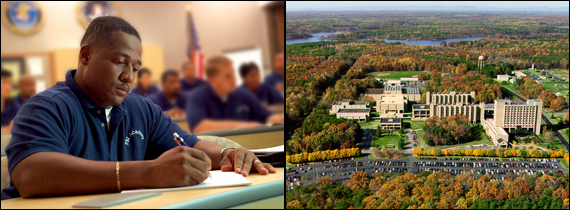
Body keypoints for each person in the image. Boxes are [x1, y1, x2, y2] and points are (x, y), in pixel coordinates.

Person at [1, 16, 275, 200]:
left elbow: (192, 144)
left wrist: (229, 153)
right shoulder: (45, 107)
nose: (129, 77)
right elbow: (31, 174)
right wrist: (149, 172)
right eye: (120, 62)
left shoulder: (141, 108)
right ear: (86, 56)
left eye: (135, 67)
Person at [185, 55, 284, 133]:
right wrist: (246, 126)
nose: (233, 79)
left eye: (233, 73)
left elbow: (266, 116)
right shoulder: (197, 96)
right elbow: (198, 127)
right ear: (213, 81)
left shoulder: (243, 94)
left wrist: (279, 119)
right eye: (228, 76)